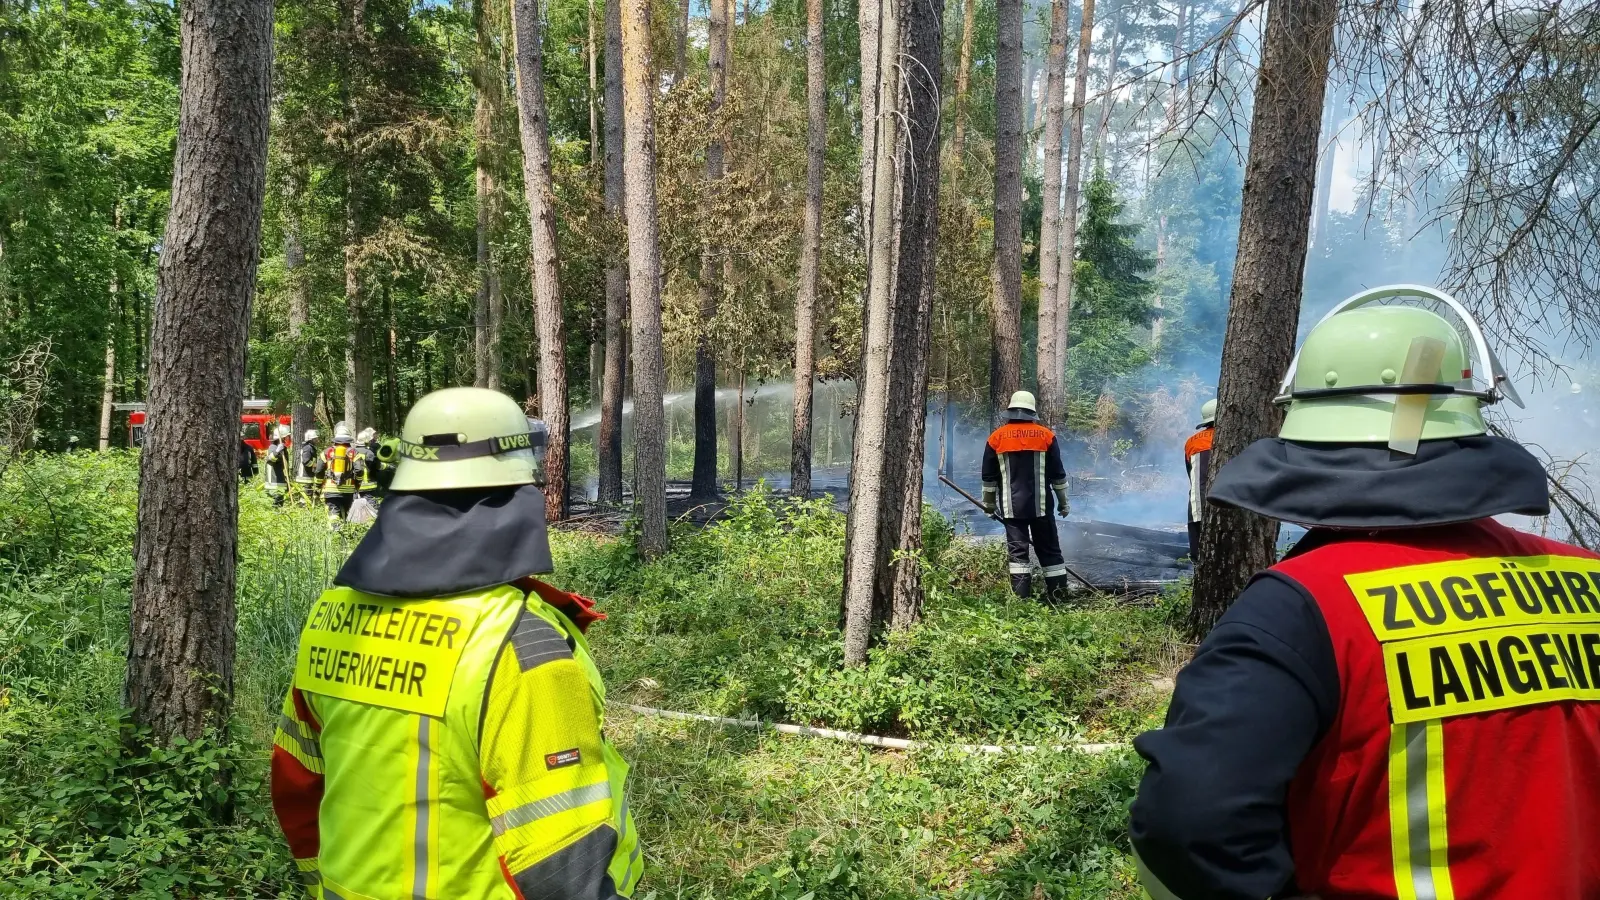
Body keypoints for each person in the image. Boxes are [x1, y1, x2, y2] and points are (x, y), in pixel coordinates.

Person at [1129, 287, 1600, 900]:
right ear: (1470, 421)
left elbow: (1182, 828)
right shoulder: (1586, 576)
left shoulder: (1301, 608)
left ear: (1304, 432)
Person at [270, 386, 642, 899]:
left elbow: (297, 783)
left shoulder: (332, 615)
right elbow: (561, 865)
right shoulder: (519, 646)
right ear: (515, 489)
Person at [981, 390, 1071, 602]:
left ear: (1011, 411)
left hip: (1011, 509)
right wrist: (1064, 503)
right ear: (1032, 412)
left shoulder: (996, 438)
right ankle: (1058, 598)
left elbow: (988, 477)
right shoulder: (1046, 436)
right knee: (1050, 552)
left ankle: (1021, 602)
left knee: (1018, 555)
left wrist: (989, 504)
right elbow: (1058, 474)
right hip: (1041, 506)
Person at [1183, 399, 1216, 562]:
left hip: (1196, 506)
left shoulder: (1191, 441)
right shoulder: (1230, 436)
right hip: (1223, 503)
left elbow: (1190, 472)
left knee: (1200, 558)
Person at [322, 423, 358, 522]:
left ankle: (335, 530)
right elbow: (359, 470)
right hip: (348, 490)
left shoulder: (327, 451)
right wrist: (357, 485)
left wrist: (317, 487)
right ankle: (345, 533)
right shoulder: (354, 452)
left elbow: (318, 471)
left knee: (333, 512)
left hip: (330, 489)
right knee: (346, 512)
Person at [264, 425, 291, 506]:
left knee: (280, 503)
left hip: (280, 479)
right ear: (283, 437)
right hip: (274, 481)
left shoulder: (283, 448)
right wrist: (277, 451)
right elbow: (271, 459)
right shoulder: (273, 447)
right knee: (276, 504)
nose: (289, 438)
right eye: (287, 436)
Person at [295, 428, 323, 505]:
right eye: (316, 438)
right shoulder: (308, 448)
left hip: (309, 475)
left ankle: (306, 508)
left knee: (308, 493)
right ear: (311, 439)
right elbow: (306, 461)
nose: (317, 439)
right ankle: (303, 508)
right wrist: (317, 466)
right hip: (305, 476)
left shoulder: (312, 448)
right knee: (306, 494)